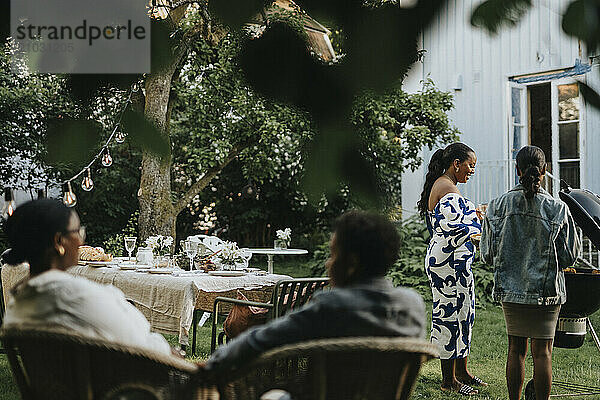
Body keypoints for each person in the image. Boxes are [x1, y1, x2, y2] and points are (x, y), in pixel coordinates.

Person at [205, 210, 426, 372]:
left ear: (351, 262)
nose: (328, 264)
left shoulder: (331, 308)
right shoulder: (413, 306)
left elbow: (259, 341)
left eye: (332, 254)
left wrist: (212, 364)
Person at [2, 198, 172, 356]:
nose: (81, 242)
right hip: (130, 385)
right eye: (77, 232)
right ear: (59, 241)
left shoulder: (19, 301)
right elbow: (141, 343)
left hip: (56, 387)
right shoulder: (73, 296)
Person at [481, 146, 580, 400]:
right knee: (543, 353)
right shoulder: (557, 209)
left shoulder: (496, 206)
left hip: (511, 291)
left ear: (517, 171)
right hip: (546, 293)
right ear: (544, 171)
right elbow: (570, 256)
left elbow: (487, 255)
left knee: (515, 350)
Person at [417, 142, 484, 396]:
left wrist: (475, 215)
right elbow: (454, 229)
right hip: (447, 264)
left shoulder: (448, 186)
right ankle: (448, 381)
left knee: (465, 314)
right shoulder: (446, 187)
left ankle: (462, 372)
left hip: (456, 262)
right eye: (470, 165)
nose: (472, 170)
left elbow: (457, 220)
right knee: (448, 319)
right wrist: (478, 222)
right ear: (456, 163)